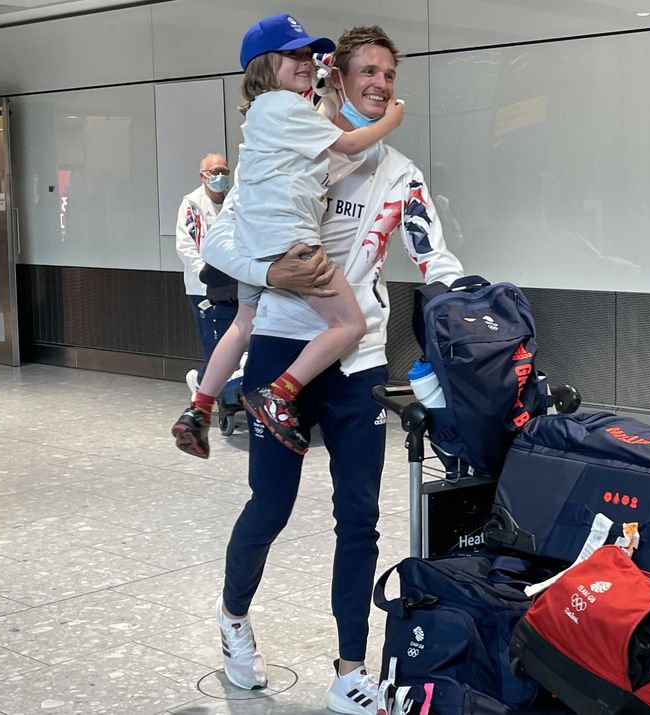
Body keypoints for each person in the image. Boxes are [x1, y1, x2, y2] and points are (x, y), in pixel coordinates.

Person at [200, 25, 464, 714]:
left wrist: (471, 305)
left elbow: (435, 255)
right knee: (270, 505)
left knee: (360, 519)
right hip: (282, 349)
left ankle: (351, 667)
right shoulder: (290, 136)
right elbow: (223, 241)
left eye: (388, 73)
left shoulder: (400, 171)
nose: (379, 84)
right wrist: (268, 270)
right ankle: (233, 617)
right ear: (337, 78)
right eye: (366, 72)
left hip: (360, 362)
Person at [171, 13, 403, 459]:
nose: (305, 62)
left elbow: (325, 119)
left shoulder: (273, 116)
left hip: (260, 242)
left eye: (308, 55)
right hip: (290, 241)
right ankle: (280, 394)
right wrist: (393, 118)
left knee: (242, 324)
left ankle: (198, 408)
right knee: (351, 324)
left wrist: (328, 85)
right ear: (263, 64)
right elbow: (348, 143)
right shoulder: (287, 109)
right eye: (292, 55)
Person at [175, 153, 234, 385]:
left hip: (233, 286)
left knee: (232, 344)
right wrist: (205, 274)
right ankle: (204, 384)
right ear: (203, 176)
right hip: (203, 287)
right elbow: (185, 243)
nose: (220, 176)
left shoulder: (233, 202)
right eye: (215, 172)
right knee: (213, 342)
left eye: (224, 171)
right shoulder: (192, 203)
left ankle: (218, 386)